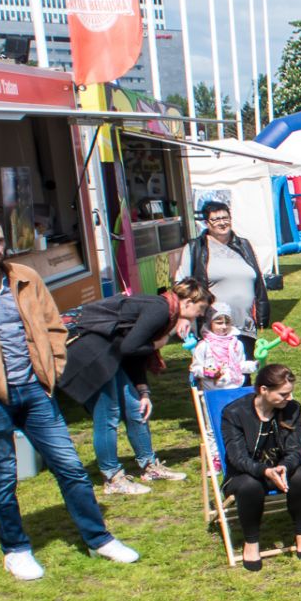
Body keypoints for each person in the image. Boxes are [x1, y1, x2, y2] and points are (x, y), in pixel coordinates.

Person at [0, 211, 137, 580]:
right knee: (3, 475)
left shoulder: (25, 277)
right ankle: (15, 549)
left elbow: (54, 326)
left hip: (35, 390)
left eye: (0, 240)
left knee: (70, 466)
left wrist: (52, 369)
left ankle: (99, 539)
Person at [57, 280, 210, 496]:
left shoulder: (166, 311)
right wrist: (157, 344)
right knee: (108, 414)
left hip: (107, 354)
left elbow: (133, 353)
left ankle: (150, 466)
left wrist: (143, 391)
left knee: (135, 407)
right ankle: (113, 478)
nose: (199, 315)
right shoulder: (160, 309)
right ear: (187, 302)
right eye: (200, 309)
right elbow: (130, 347)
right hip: (89, 355)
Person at [218, 363, 301, 572]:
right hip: (246, 473)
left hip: (281, 469)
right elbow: (237, 458)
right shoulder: (234, 413)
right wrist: (264, 471)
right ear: (264, 390)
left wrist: (283, 467)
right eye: (283, 394)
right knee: (250, 486)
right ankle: (251, 542)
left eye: (290, 393)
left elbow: (295, 449)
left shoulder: (292, 409)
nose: (288, 398)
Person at [177, 198, 270, 348]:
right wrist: (184, 316)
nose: (222, 223)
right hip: (214, 329)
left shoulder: (244, 245)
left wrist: (261, 314)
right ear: (206, 223)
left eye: (225, 218)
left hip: (245, 327)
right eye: (216, 219)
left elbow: (258, 280)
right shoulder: (196, 248)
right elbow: (182, 285)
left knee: (244, 362)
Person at [192, 303, 249, 391]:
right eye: (219, 323)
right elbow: (195, 369)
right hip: (212, 391)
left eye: (227, 323)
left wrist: (254, 365)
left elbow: (240, 365)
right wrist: (209, 372)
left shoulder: (237, 344)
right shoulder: (204, 346)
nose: (224, 326)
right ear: (210, 323)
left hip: (235, 389)